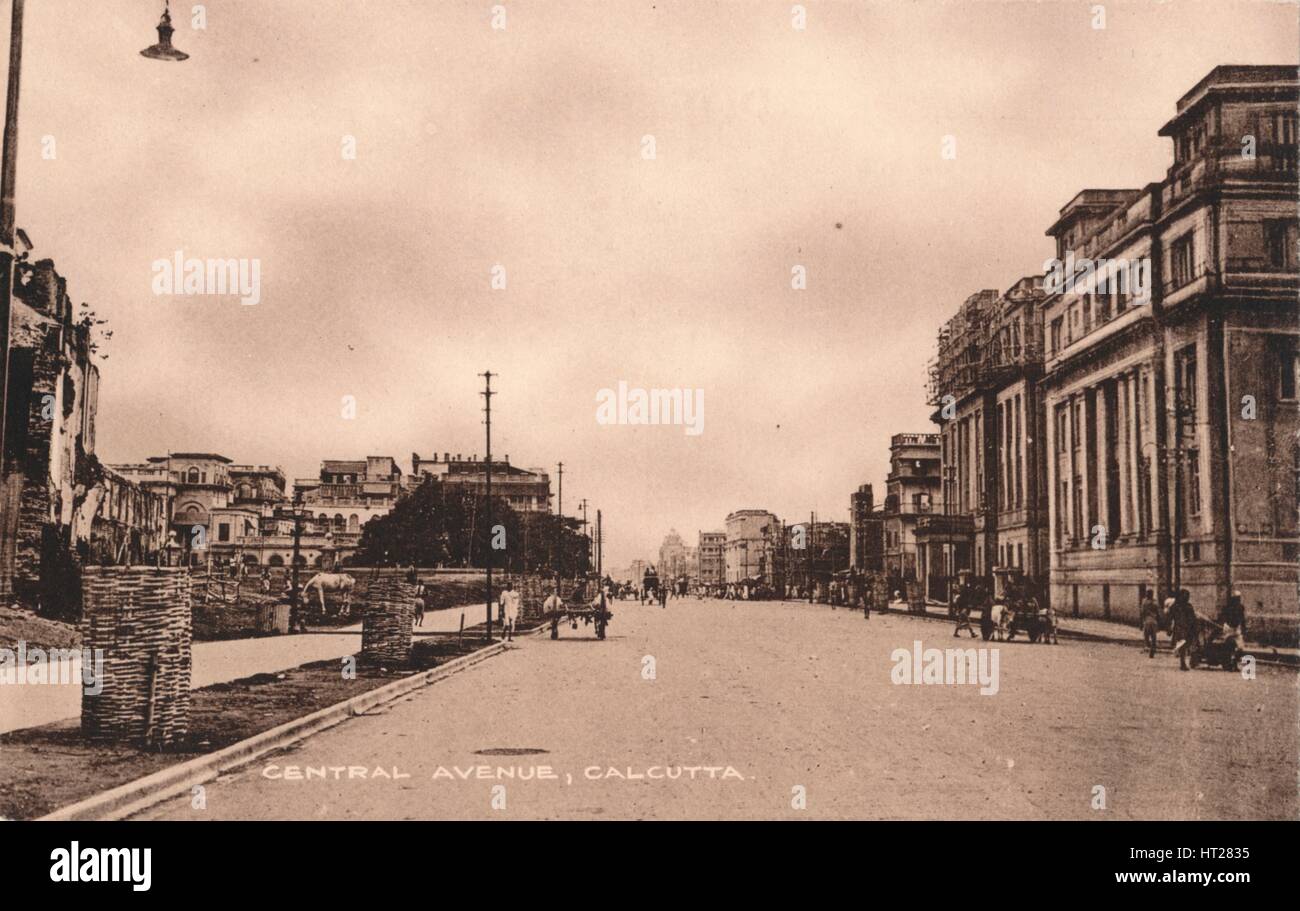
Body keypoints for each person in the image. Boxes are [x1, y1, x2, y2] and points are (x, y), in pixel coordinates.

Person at [1169, 588, 1198, 671]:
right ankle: (1183, 663)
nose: (1186, 598)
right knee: (1183, 645)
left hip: (1188, 628)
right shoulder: (1175, 606)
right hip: (1179, 628)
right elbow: (1170, 618)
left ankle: (1188, 661)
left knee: (1187, 644)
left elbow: (1193, 618)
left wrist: (1194, 627)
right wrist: (1169, 628)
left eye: (1187, 596)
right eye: (1185, 596)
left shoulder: (1189, 606)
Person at [1139, 589, 1161, 658]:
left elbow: (1142, 613)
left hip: (1147, 621)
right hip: (1154, 621)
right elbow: (1158, 613)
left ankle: (1149, 647)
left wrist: (1140, 623)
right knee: (1153, 637)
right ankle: (1152, 650)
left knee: (1146, 637)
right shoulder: (1155, 602)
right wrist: (1159, 622)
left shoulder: (1144, 602)